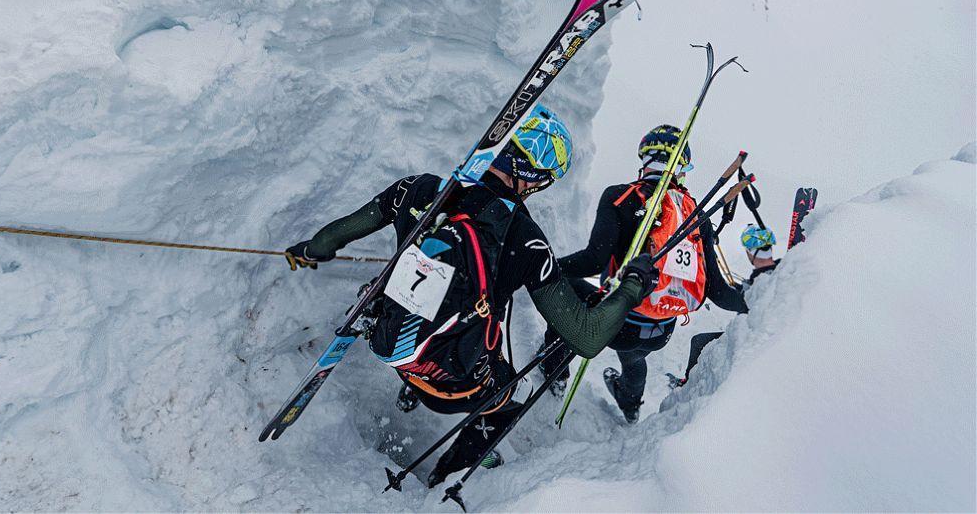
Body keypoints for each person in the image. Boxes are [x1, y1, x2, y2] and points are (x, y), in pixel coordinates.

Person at [285, 104, 658, 487]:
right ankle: (448, 476)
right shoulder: (527, 241)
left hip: (390, 345)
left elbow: (338, 234)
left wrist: (311, 249)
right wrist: (633, 285)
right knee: (511, 394)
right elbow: (587, 337)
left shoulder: (418, 189)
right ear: (533, 178)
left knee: (423, 312)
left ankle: (408, 388)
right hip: (458, 385)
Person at [539, 125, 772, 424]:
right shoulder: (696, 215)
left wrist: (544, 266)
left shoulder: (619, 197)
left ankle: (554, 370)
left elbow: (593, 261)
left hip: (617, 322)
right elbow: (717, 291)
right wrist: (762, 304)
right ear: (681, 167)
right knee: (634, 357)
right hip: (660, 330)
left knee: (566, 285)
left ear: (645, 158)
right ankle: (630, 404)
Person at [668, 223, 779, 388]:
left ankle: (688, 386)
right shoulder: (781, 271)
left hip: (754, 339)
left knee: (699, 342)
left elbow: (725, 296)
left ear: (750, 252)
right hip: (767, 335)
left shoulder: (761, 282)